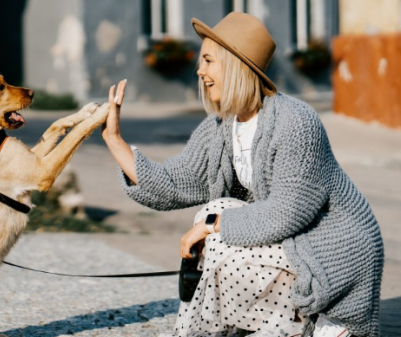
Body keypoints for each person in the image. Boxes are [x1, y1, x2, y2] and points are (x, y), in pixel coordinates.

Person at [101, 12, 383, 337]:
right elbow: (175, 183)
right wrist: (114, 140)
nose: (200, 70)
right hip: (292, 240)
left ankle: (319, 322)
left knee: (216, 231)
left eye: (208, 60)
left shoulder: (297, 123)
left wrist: (211, 228)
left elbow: (287, 212)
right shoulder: (221, 127)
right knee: (213, 213)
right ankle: (225, 329)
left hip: (332, 246)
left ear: (236, 64)